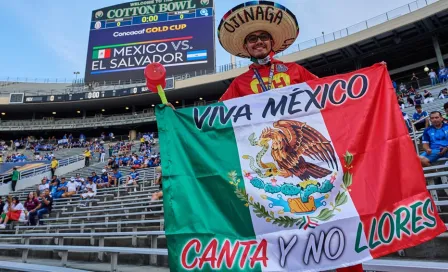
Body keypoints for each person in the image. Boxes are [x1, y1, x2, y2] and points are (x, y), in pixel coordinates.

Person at [216, 3, 366, 272]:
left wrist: (368, 81)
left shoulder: (295, 71)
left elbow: (330, 95)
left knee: (331, 218)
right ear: (246, 48)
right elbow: (215, 119)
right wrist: (177, 118)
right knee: (281, 226)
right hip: (270, 171)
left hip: (307, 156)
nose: (258, 42)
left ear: (271, 42)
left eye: (263, 37)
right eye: (252, 39)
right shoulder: (238, 84)